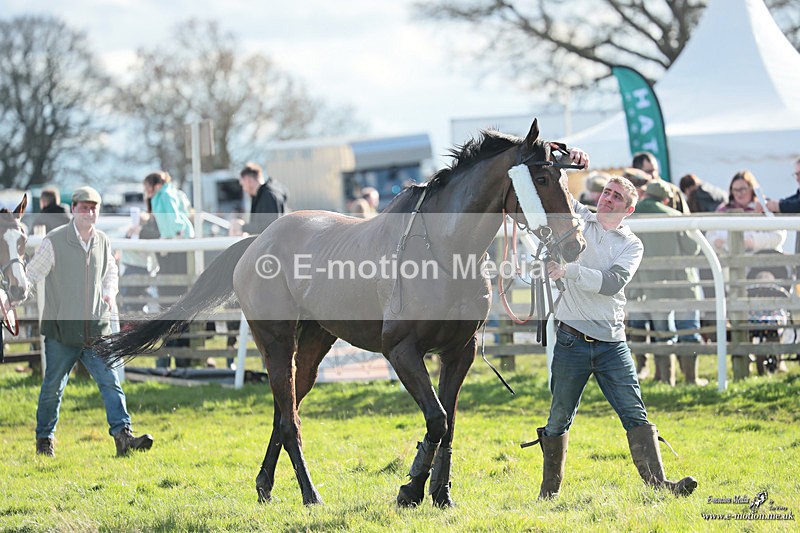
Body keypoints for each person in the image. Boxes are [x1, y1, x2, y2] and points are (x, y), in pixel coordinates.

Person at [532, 174, 696, 499]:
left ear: (629, 209)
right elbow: (554, 185)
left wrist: (569, 271)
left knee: (634, 412)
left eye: (616, 196)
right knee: (559, 417)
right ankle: (549, 492)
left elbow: (612, 283)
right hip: (571, 339)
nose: (607, 198)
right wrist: (569, 157)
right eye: (606, 192)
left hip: (611, 343)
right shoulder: (579, 217)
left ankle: (659, 485)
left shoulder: (632, 245)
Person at [26, 186, 153, 457]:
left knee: (110, 382)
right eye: (84, 207)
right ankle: (44, 440)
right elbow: (32, 274)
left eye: (94, 208)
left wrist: (109, 292)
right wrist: (13, 294)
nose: (89, 212)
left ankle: (123, 436)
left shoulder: (103, 241)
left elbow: (111, 272)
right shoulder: (54, 241)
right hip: (61, 332)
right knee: (53, 388)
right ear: (73, 209)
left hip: (96, 330)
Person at [628, 181, 706, 386]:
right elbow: (693, 249)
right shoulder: (675, 216)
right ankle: (691, 379)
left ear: (645, 195)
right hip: (682, 283)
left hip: (650, 286)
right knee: (688, 331)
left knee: (663, 334)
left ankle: (666, 380)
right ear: (665, 200)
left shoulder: (631, 217)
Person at [143, 171, 195, 368]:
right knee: (177, 301)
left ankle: (173, 356)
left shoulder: (164, 195)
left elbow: (173, 218)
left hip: (175, 246)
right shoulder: (172, 192)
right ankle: (179, 357)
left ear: (154, 185)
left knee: (172, 300)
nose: (146, 191)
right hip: (178, 244)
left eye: (147, 187)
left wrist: (171, 238)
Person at [706, 170, 786, 255]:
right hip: (730, 258)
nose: (739, 194)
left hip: (763, 258)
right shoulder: (723, 210)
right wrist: (716, 242)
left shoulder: (764, 207)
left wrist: (752, 242)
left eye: (743, 189)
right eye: (735, 190)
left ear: (752, 188)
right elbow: (710, 234)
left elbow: (778, 235)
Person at [237, 162, 288, 235]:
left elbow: (269, 227)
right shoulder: (263, 195)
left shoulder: (268, 196)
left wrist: (242, 227)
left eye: (243, 185)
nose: (244, 189)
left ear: (248, 181)